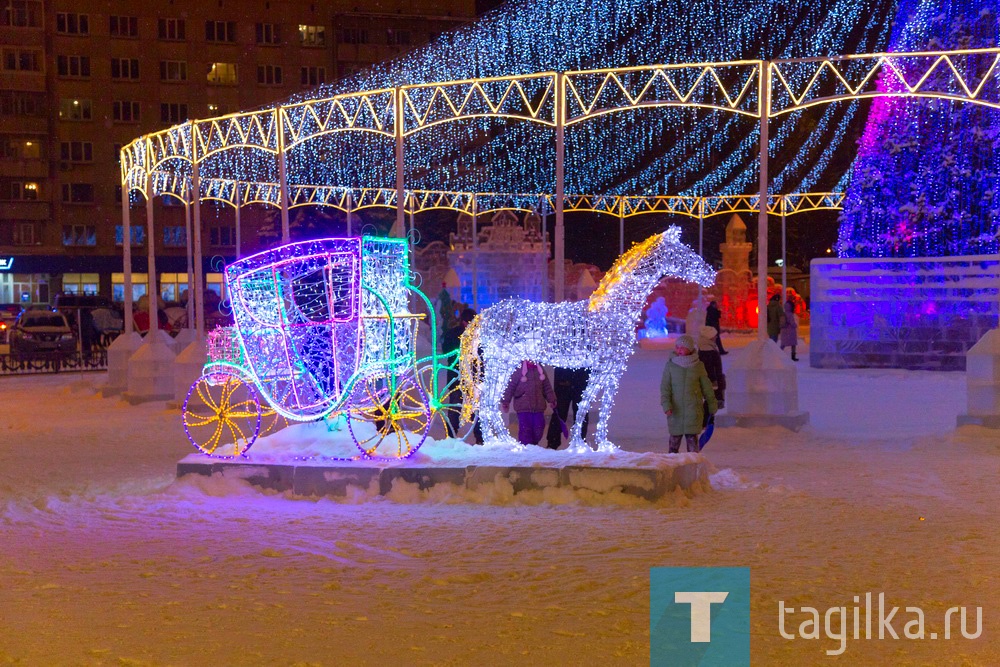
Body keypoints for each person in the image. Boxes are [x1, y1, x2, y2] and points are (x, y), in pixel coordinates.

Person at [660, 334, 717, 453]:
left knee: (692, 444)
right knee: (674, 443)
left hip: (693, 410)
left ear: (690, 349)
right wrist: (666, 405)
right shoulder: (670, 366)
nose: (679, 349)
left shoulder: (698, 366)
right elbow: (665, 387)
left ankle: (692, 467)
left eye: (683, 347)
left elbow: (707, 387)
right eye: (677, 347)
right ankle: (672, 467)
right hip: (676, 411)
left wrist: (712, 404)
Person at [442, 307, 482, 443]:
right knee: (461, 409)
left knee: (461, 410)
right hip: (460, 379)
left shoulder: (473, 336)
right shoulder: (462, 335)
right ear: (465, 322)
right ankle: (455, 437)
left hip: (461, 379)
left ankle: (451, 437)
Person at [501, 360, 557, 446]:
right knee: (525, 429)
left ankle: (534, 443)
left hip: (539, 406)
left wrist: (551, 399)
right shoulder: (519, 370)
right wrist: (505, 401)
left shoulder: (540, 369)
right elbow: (511, 387)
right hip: (523, 406)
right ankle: (525, 446)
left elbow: (546, 386)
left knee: (539, 427)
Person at [546, 367, 590, 450]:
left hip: (577, 379)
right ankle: (553, 443)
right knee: (560, 412)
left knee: (580, 414)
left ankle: (578, 441)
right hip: (566, 379)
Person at [697, 326, 726, 429]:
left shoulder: (707, 347)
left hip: (712, 379)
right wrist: (714, 381)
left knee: (711, 400)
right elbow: (709, 367)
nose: (716, 337)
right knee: (711, 400)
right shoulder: (708, 350)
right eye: (714, 335)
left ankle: (707, 420)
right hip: (712, 380)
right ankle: (705, 422)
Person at [780, 293, 799, 361]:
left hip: (784, 330)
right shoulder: (790, 314)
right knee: (793, 344)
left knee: (783, 344)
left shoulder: (783, 313)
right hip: (790, 331)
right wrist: (795, 325)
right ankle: (793, 356)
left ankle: (778, 354)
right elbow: (792, 323)